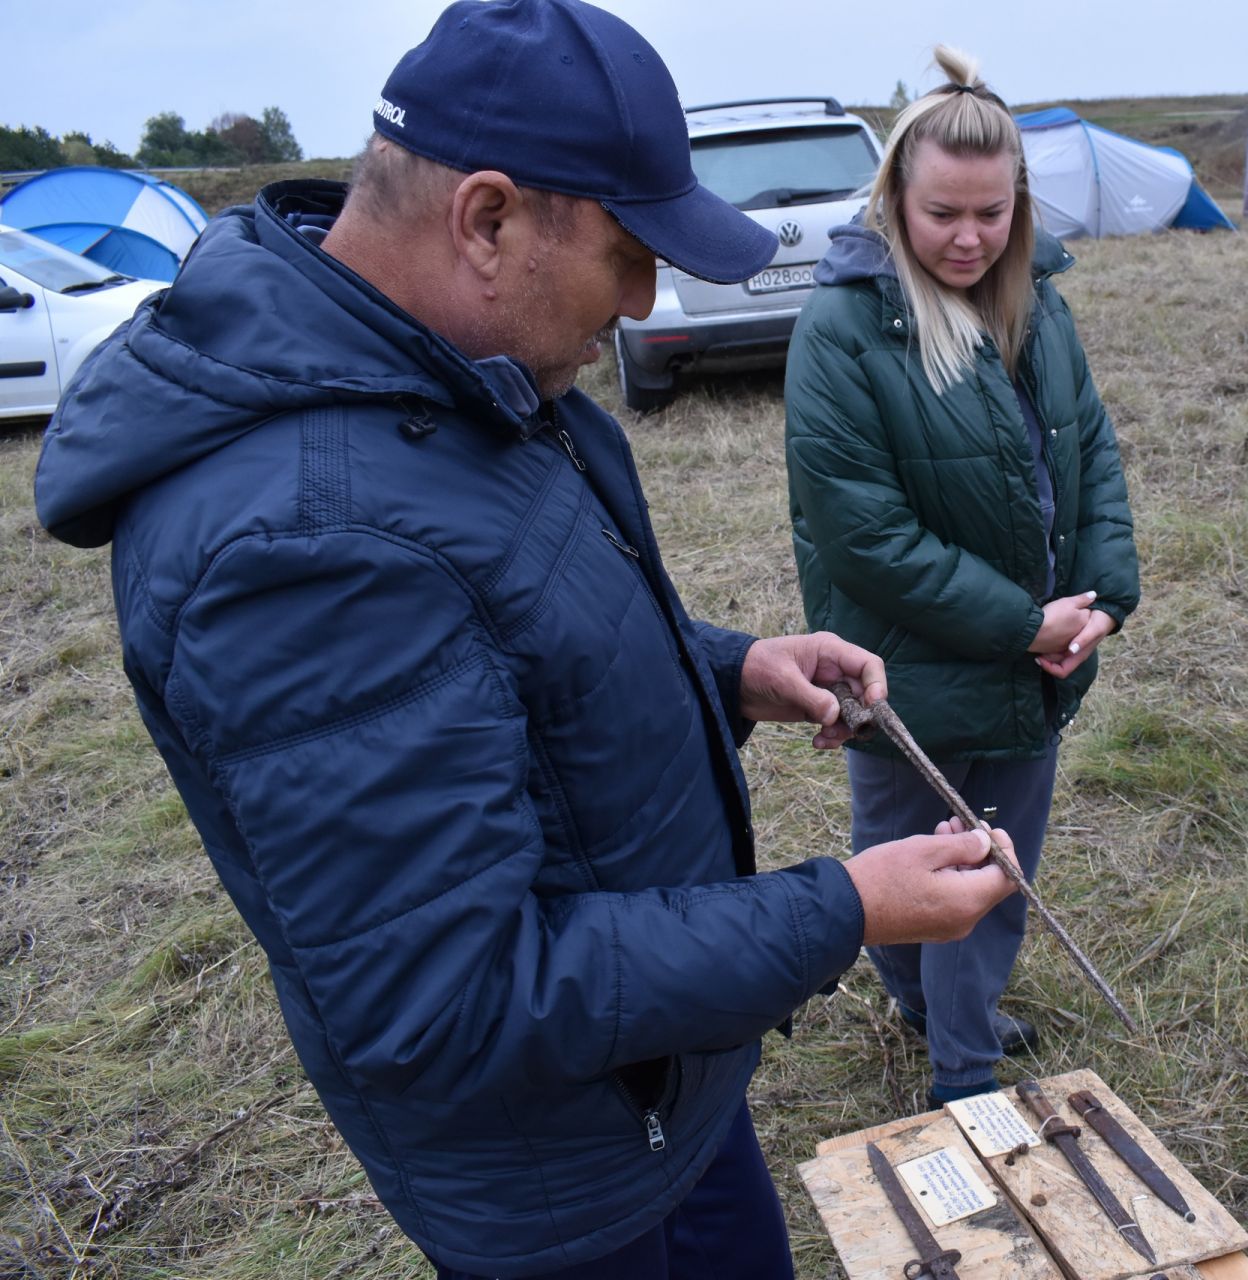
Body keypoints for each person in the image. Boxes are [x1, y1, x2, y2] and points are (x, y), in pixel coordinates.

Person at [32, 3, 1019, 1277]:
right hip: (562, 1184)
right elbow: (453, 992)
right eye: (626, 251)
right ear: (489, 218)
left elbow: (516, 650)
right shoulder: (297, 542)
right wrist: (843, 905)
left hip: (656, 1094)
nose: (647, 296)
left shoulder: (453, 371)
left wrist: (732, 671)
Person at [783, 48, 1140, 1110]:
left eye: (992, 212)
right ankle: (951, 1044)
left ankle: (961, 1043)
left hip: (1034, 660)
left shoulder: (1040, 308)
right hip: (906, 673)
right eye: (944, 212)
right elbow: (865, 534)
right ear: (894, 196)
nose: (970, 237)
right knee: (906, 863)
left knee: (999, 864)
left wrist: (1104, 595)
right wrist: (1019, 621)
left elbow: (1092, 453)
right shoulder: (843, 328)